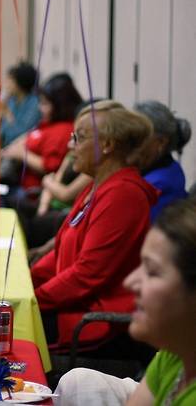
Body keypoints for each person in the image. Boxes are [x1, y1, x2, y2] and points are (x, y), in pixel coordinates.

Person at [31, 100, 158, 348]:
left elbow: (87, 274)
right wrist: (28, 280)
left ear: (108, 145)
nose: (70, 146)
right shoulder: (98, 184)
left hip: (89, 319)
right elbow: (62, 249)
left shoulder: (123, 195)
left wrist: (33, 299)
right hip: (68, 303)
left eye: (79, 138)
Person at [54, 198, 196, 405]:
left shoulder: (123, 197)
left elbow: (86, 274)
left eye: (152, 271)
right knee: (78, 382)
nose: (130, 282)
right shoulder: (175, 352)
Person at [1, 73, 83, 190]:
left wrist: (22, 154)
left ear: (60, 105)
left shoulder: (63, 131)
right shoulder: (48, 123)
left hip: (30, 192)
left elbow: (51, 167)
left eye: (45, 104)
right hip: (18, 180)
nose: (40, 108)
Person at [134, 100, 191, 222]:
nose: (129, 142)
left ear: (160, 142)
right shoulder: (165, 167)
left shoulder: (160, 183)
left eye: (138, 135)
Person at [0, 61, 41, 147]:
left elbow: (19, 135)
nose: (6, 84)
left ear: (20, 83)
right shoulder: (13, 100)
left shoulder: (34, 105)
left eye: (10, 80)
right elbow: (1, 131)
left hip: (19, 151)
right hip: (5, 147)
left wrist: (7, 113)